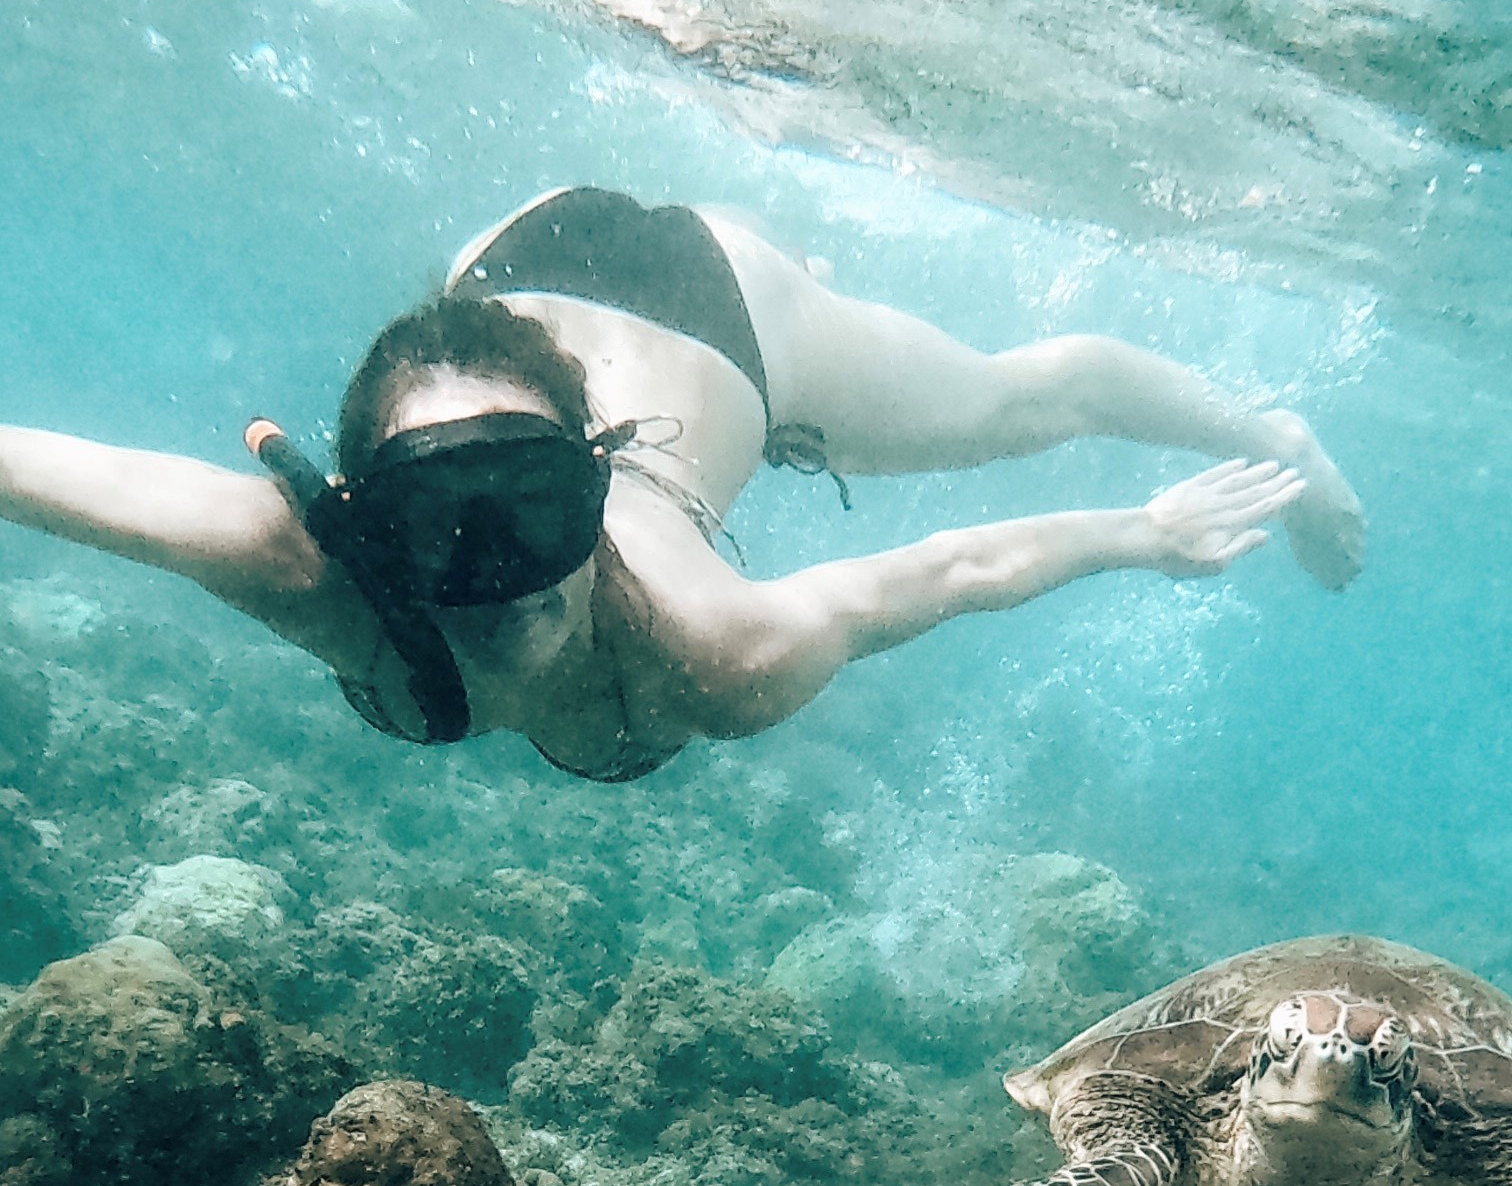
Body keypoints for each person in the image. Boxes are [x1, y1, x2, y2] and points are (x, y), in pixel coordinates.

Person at [0, 188, 1365, 784]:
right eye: (439, 522)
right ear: (361, 521)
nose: (504, 572)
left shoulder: (719, 643)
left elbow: (949, 572)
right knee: (467, 403)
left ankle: (1281, 432)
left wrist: (1145, 528)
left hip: (719, 316)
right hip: (508, 268)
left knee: (1013, 403)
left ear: (595, 480)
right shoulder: (305, 562)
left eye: (535, 505)